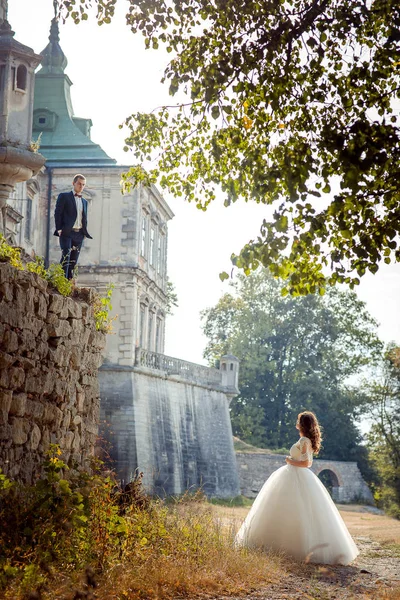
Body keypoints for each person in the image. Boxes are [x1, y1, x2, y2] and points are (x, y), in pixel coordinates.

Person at [235, 411, 359, 565]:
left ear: (302, 424)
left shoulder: (305, 440)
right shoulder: (304, 440)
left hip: (297, 474)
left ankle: (293, 547)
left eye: (299, 421)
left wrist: (289, 460)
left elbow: (307, 463)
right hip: (292, 474)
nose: (297, 423)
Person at [54, 174, 92, 280]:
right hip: (66, 232)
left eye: (83, 185)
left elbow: (84, 218)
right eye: (79, 184)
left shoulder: (84, 202)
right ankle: (61, 281)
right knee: (66, 256)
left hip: (79, 234)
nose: (81, 186)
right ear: (73, 183)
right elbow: (58, 213)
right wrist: (59, 228)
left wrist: (84, 233)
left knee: (73, 260)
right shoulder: (64, 196)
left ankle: (69, 284)